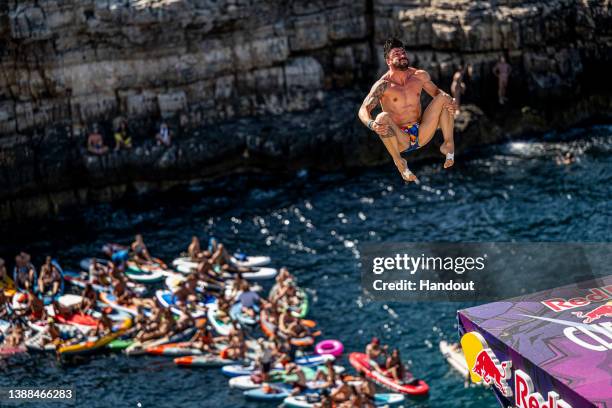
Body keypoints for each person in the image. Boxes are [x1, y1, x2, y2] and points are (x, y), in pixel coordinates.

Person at [358, 37, 457, 182]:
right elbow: (363, 109)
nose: (402, 55)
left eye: (403, 52)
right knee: (381, 117)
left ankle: (448, 145)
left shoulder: (419, 76)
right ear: (388, 61)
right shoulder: (383, 85)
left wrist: (451, 101)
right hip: (400, 139)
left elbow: (437, 94)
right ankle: (399, 162)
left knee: (444, 97)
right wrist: (372, 124)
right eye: (396, 54)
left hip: (422, 132)